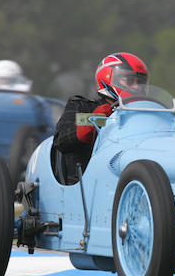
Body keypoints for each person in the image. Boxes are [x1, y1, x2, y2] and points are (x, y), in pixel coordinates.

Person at [53, 52, 149, 183]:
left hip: (133, 180)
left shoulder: (146, 114)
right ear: (108, 78)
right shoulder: (82, 106)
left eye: (140, 82)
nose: (137, 87)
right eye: (129, 80)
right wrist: (96, 119)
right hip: (86, 186)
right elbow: (62, 141)